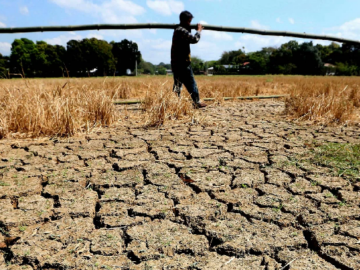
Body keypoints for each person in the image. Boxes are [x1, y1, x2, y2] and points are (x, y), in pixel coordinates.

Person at [171, 11, 207, 108]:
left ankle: (175, 103)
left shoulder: (178, 30)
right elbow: (194, 39)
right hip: (183, 63)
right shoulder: (181, 30)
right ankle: (197, 102)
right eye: (189, 22)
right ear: (183, 20)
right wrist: (199, 31)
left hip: (176, 63)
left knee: (178, 84)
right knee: (191, 83)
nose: (190, 24)